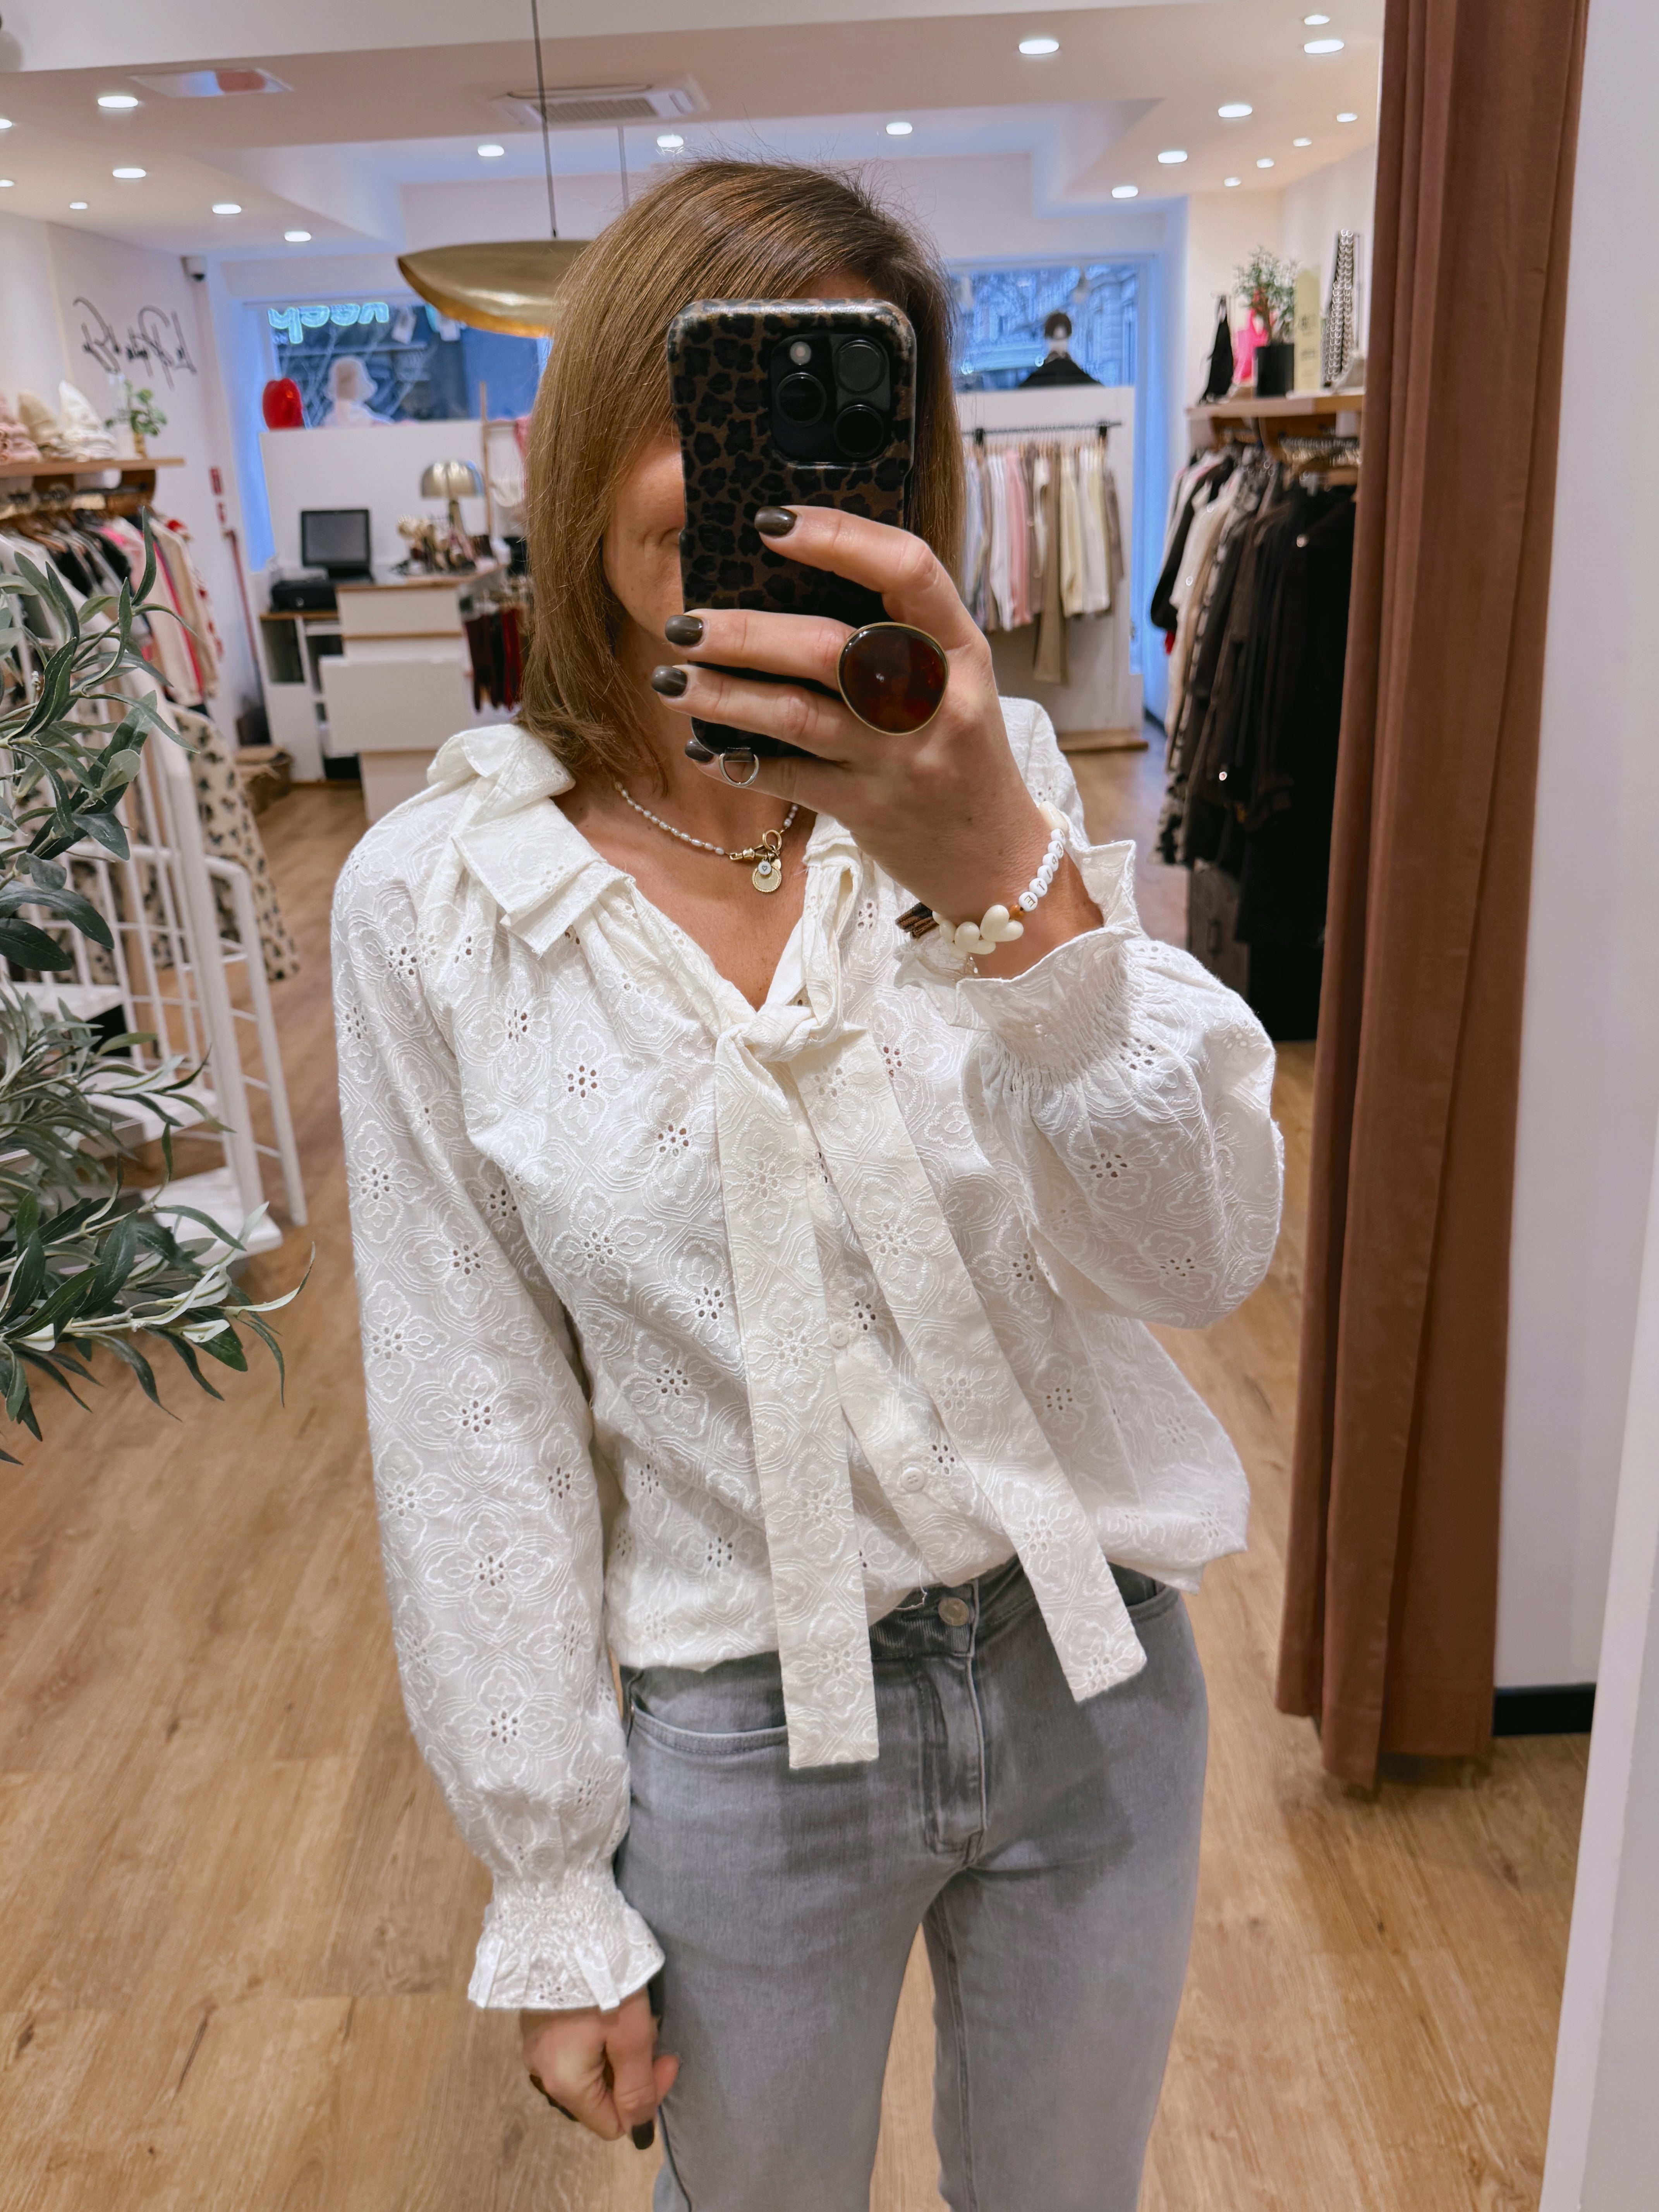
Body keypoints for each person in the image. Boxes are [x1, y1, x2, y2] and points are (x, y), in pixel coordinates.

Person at [333, 158, 1282, 2212]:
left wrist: (1000, 884)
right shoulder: (441, 904)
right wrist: (548, 1883)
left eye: (827, 420)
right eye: (699, 404)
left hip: (1092, 1676)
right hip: (739, 1739)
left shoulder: (986, 787)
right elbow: (469, 1406)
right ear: (587, 435)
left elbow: (1197, 1254)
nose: (742, 491)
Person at [1020, 307, 1101, 386]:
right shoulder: (1084, 380)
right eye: (1054, 339)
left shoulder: (1033, 383)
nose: (1058, 345)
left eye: (1061, 339)